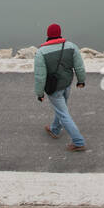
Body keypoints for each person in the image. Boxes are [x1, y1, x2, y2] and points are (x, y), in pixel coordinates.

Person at [34, 23, 87, 151]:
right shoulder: (71, 46)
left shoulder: (41, 52)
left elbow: (40, 76)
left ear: (48, 34)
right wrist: (81, 80)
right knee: (61, 108)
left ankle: (78, 142)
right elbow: (79, 66)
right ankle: (55, 130)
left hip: (53, 88)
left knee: (63, 113)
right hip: (67, 84)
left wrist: (40, 93)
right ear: (59, 33)